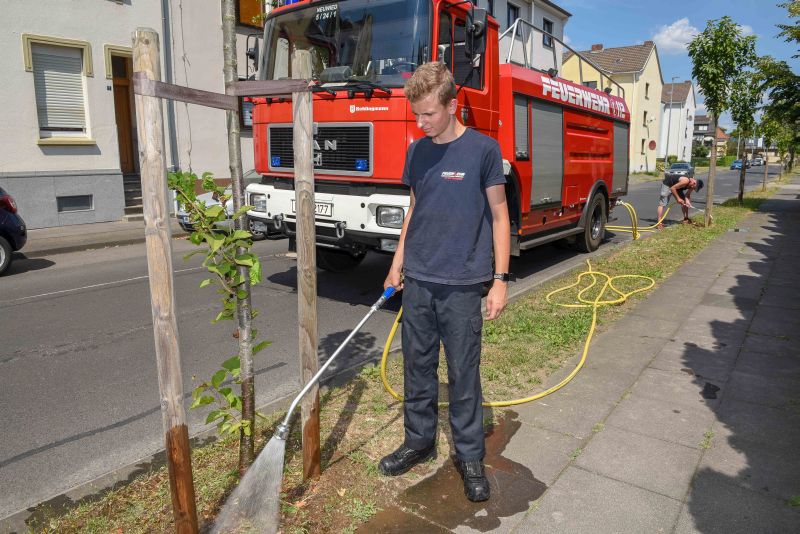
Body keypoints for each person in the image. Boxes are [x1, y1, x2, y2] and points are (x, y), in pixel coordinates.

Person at [377, 62, 510, 503]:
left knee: (463, 373)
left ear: (453, 105)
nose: (420, 123)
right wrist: (398, 263)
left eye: (428, 114)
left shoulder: (484, 151)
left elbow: (499, 216)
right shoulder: (418, 151)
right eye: (416, 114)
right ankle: (419, 441)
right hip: (418, 280)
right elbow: (414, 209)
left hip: (462, 284)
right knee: (416, 367)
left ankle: (470, 456)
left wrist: (500, 280)